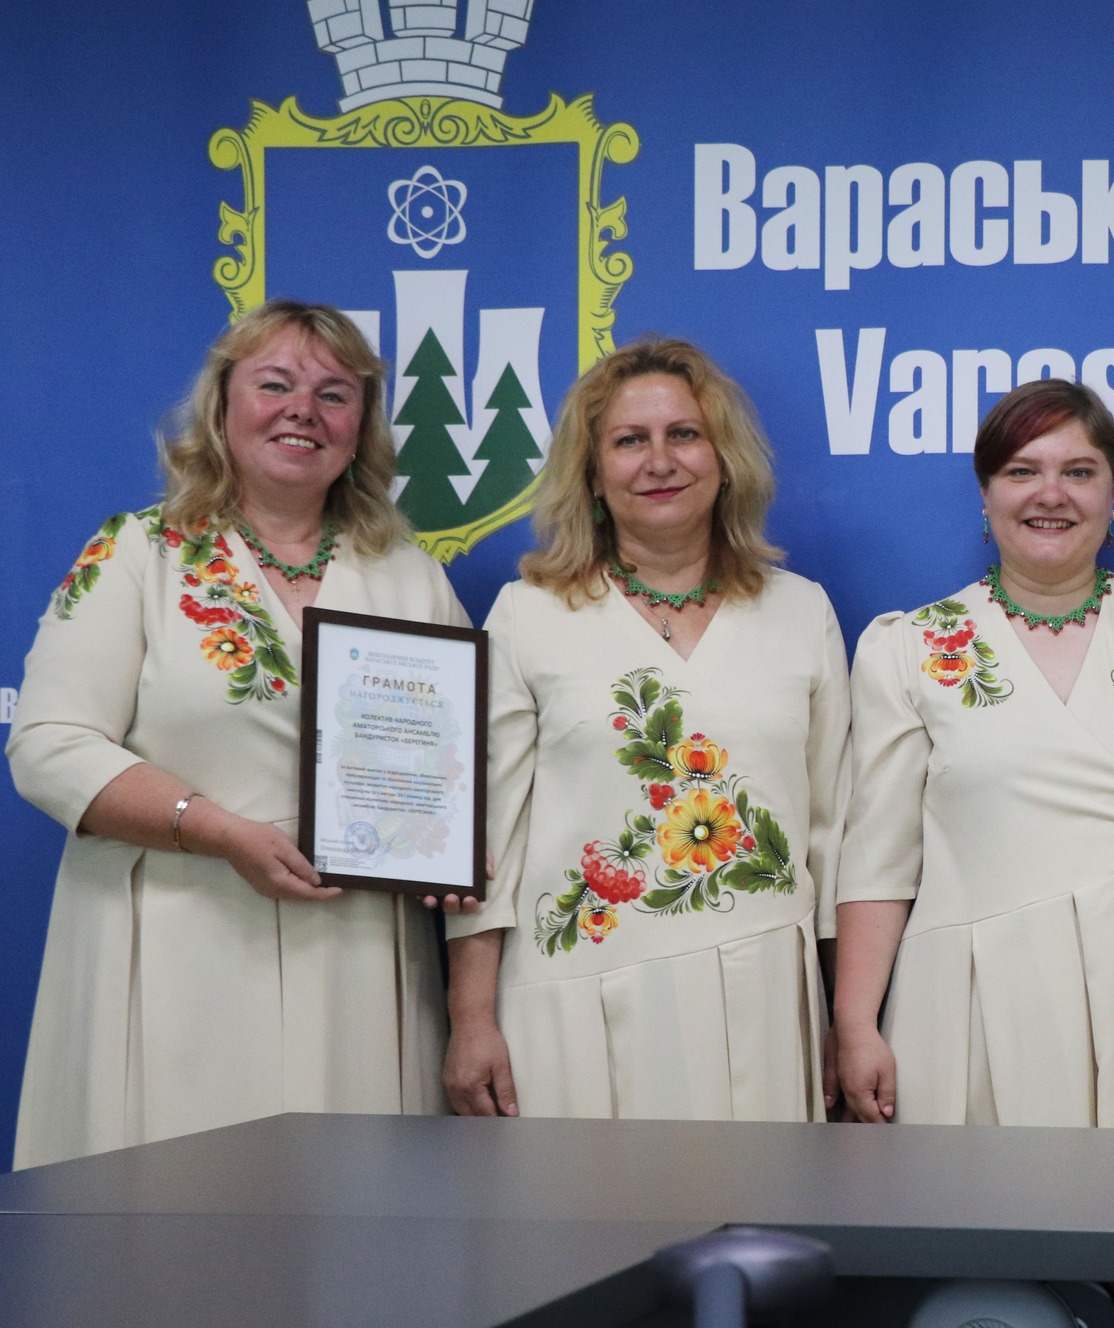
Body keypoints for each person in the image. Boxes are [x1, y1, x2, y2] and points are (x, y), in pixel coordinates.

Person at [8, 300, 470, 1167]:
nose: (303, 410)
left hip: (357, 965)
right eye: (275, 385)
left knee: (353, 1218)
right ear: (222, 407)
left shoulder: (412, 580)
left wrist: (450, 855)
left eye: (334, 394)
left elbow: (454, 774)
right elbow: (49, 745)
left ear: (361, 428)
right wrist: (218, 830)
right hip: (176, 954)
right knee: (175, 1216)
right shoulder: (136, 554)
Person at [833, 379, 1114, 1128]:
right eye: (1023, 471)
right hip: (973, 998)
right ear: (985, 495)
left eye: (1079, 472)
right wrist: (855, 1024)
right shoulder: (908, 649)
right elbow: (877, 860)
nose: (1051, 494)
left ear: (1113, 495)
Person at [441, 336, 848, 1122]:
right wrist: (470, 1019)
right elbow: (487, 843)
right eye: (630, 441)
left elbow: (835, 837)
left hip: (764, 994)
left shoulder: (802, 611)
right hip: (576, 997)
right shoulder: (529, 615)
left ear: (724, 458)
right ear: (592, 473)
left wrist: (842, 1017)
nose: (660, 461)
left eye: (684, 434)